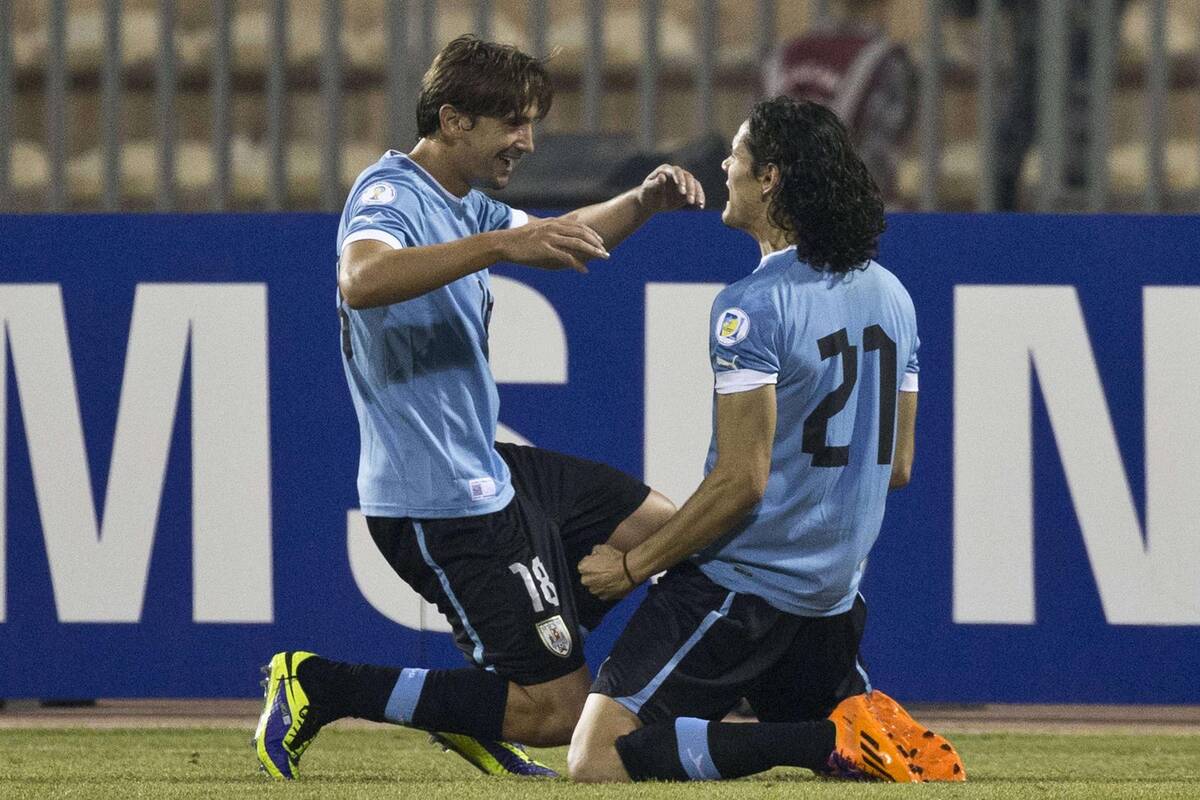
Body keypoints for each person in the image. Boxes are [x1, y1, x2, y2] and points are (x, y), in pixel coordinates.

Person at [252, 35, 704, 780]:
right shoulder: (390, 193)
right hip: (437, 497)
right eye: (513, 123)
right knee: (559, 715)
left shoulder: (468, 203)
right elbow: (361, 279)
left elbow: (565, 237)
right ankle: (320, 684)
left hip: (485, 468)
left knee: (676, 533)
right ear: (454, 120)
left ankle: (483, 705)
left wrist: (642, 202)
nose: (527, 141)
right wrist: (496, 247)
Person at [566, 97, 964, 784]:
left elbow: (741, 483)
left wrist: (632, 568)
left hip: (739, 593)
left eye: (737, 155)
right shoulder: (893, 296)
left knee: (595, 759)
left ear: (771, 177)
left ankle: (819, 740)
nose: (725, 166)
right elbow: (897, 466)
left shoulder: (752, 306)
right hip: (830, 603)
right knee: (831, 748)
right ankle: (845, 728)